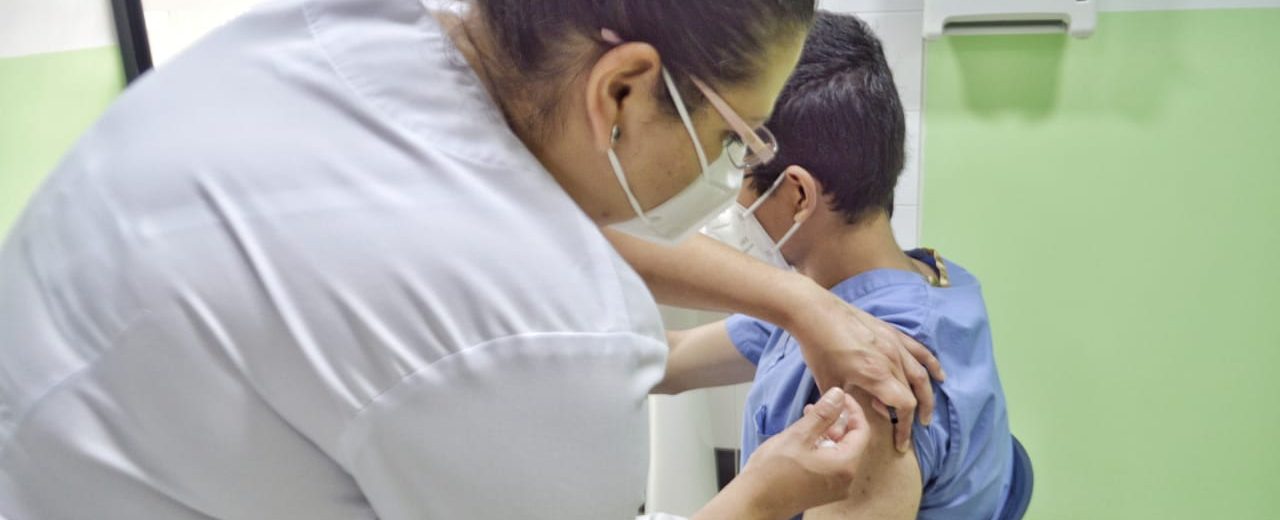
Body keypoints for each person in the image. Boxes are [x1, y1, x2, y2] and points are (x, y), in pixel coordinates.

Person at [0, 1, 945, 519]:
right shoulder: (541, 333)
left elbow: (504, 210)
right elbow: (531, 300)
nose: (737, 174)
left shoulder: (337, 38)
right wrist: (773, 490)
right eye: (738, 140)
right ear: (623, 90)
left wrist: (797, 304)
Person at [658, 12, 1015, 519]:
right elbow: (676, 360)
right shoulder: (868, 294)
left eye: (737, 164)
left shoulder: (878, 381)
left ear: (798, 193)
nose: (729, 193)